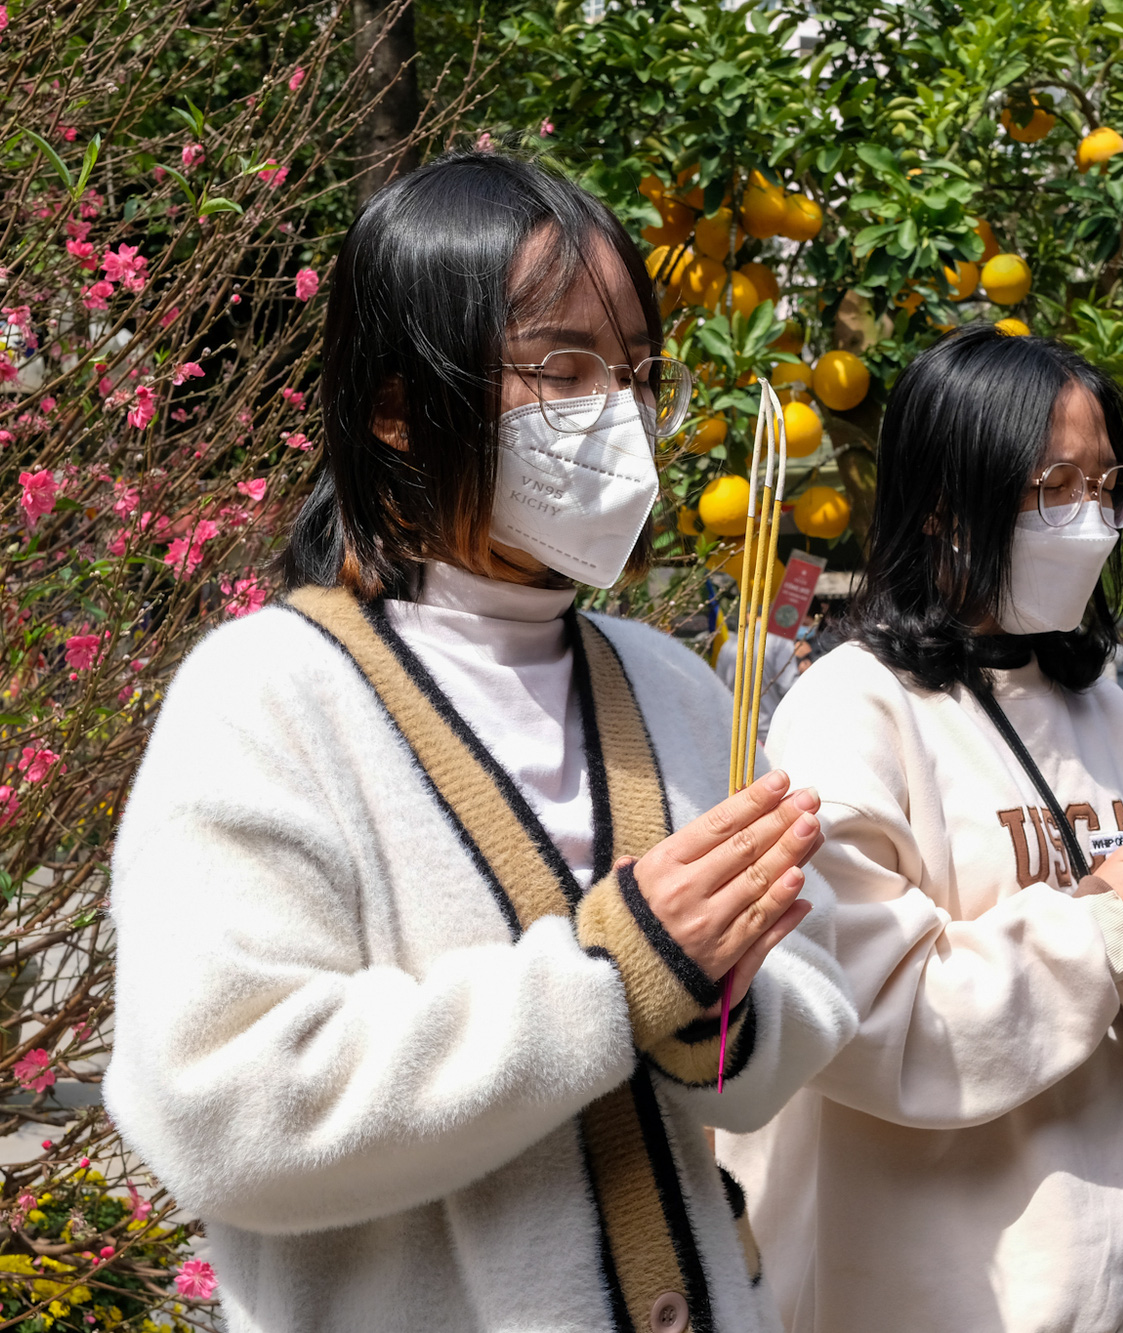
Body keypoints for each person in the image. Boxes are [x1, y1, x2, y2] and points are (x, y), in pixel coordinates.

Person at [103, 153, 857, 1331]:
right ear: (396, 402)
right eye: (562, 367)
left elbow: (806, 997)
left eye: (634, 372)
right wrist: (621, 975)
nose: (616, 411)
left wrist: (723, 1012)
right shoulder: (267, 695)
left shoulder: (670, 684)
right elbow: (223, 1109)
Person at [717, 329, 1123, 1332]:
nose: (1086, 520)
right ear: (944, 500)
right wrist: (1108, 932)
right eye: (1049, 485)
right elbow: (859, 1016)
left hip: (1116, 1268)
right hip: (934, 1283)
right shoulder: (852, 711)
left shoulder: (1099, 706)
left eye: (1105, 486)